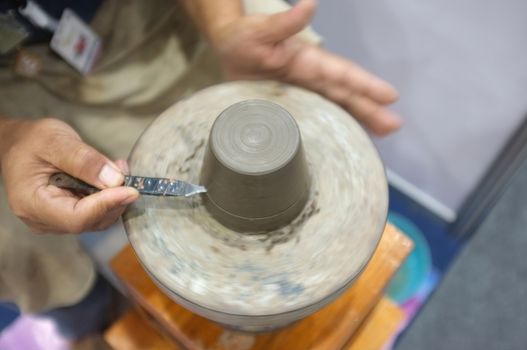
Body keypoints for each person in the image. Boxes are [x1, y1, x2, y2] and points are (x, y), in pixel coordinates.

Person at [0, 0, 400, 337]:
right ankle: (93, 322)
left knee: (283, 62)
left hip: (136, 16)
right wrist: (8, 141)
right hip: (8, 88)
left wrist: (224, 25)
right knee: (12, 247)